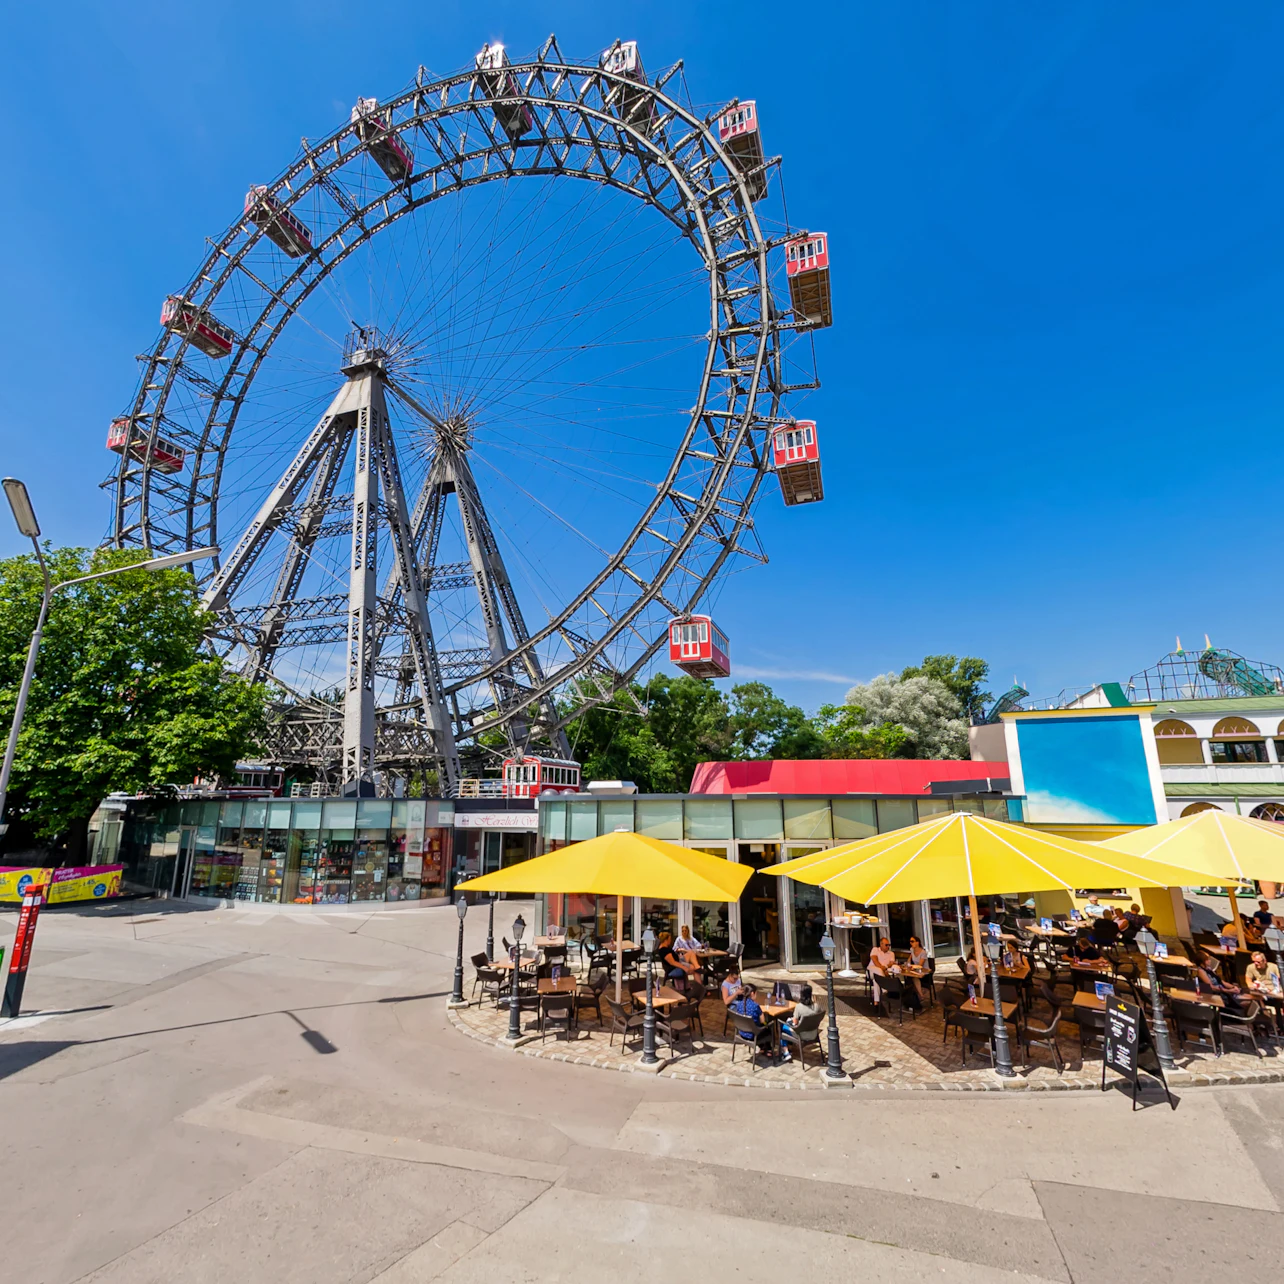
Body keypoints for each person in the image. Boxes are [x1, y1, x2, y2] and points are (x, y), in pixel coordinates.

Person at [778, 983, 821, 1061]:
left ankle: (786, 1052)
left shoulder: (799, 1007)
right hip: (814, 1033)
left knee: (782, 1026)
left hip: (801, 1035)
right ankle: (790, 1046)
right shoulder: (816, 1006)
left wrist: (790, 1021)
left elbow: (795, 1023)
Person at [729, 982, 775, 1056]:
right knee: (768, 1028)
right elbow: (763, 1021)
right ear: (752, 993)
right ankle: (768, 1049)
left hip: (742, 1033)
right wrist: (767, 1024)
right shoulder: (755, 1006)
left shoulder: (739, 1004)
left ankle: (763, 1047)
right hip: (753, 1036)